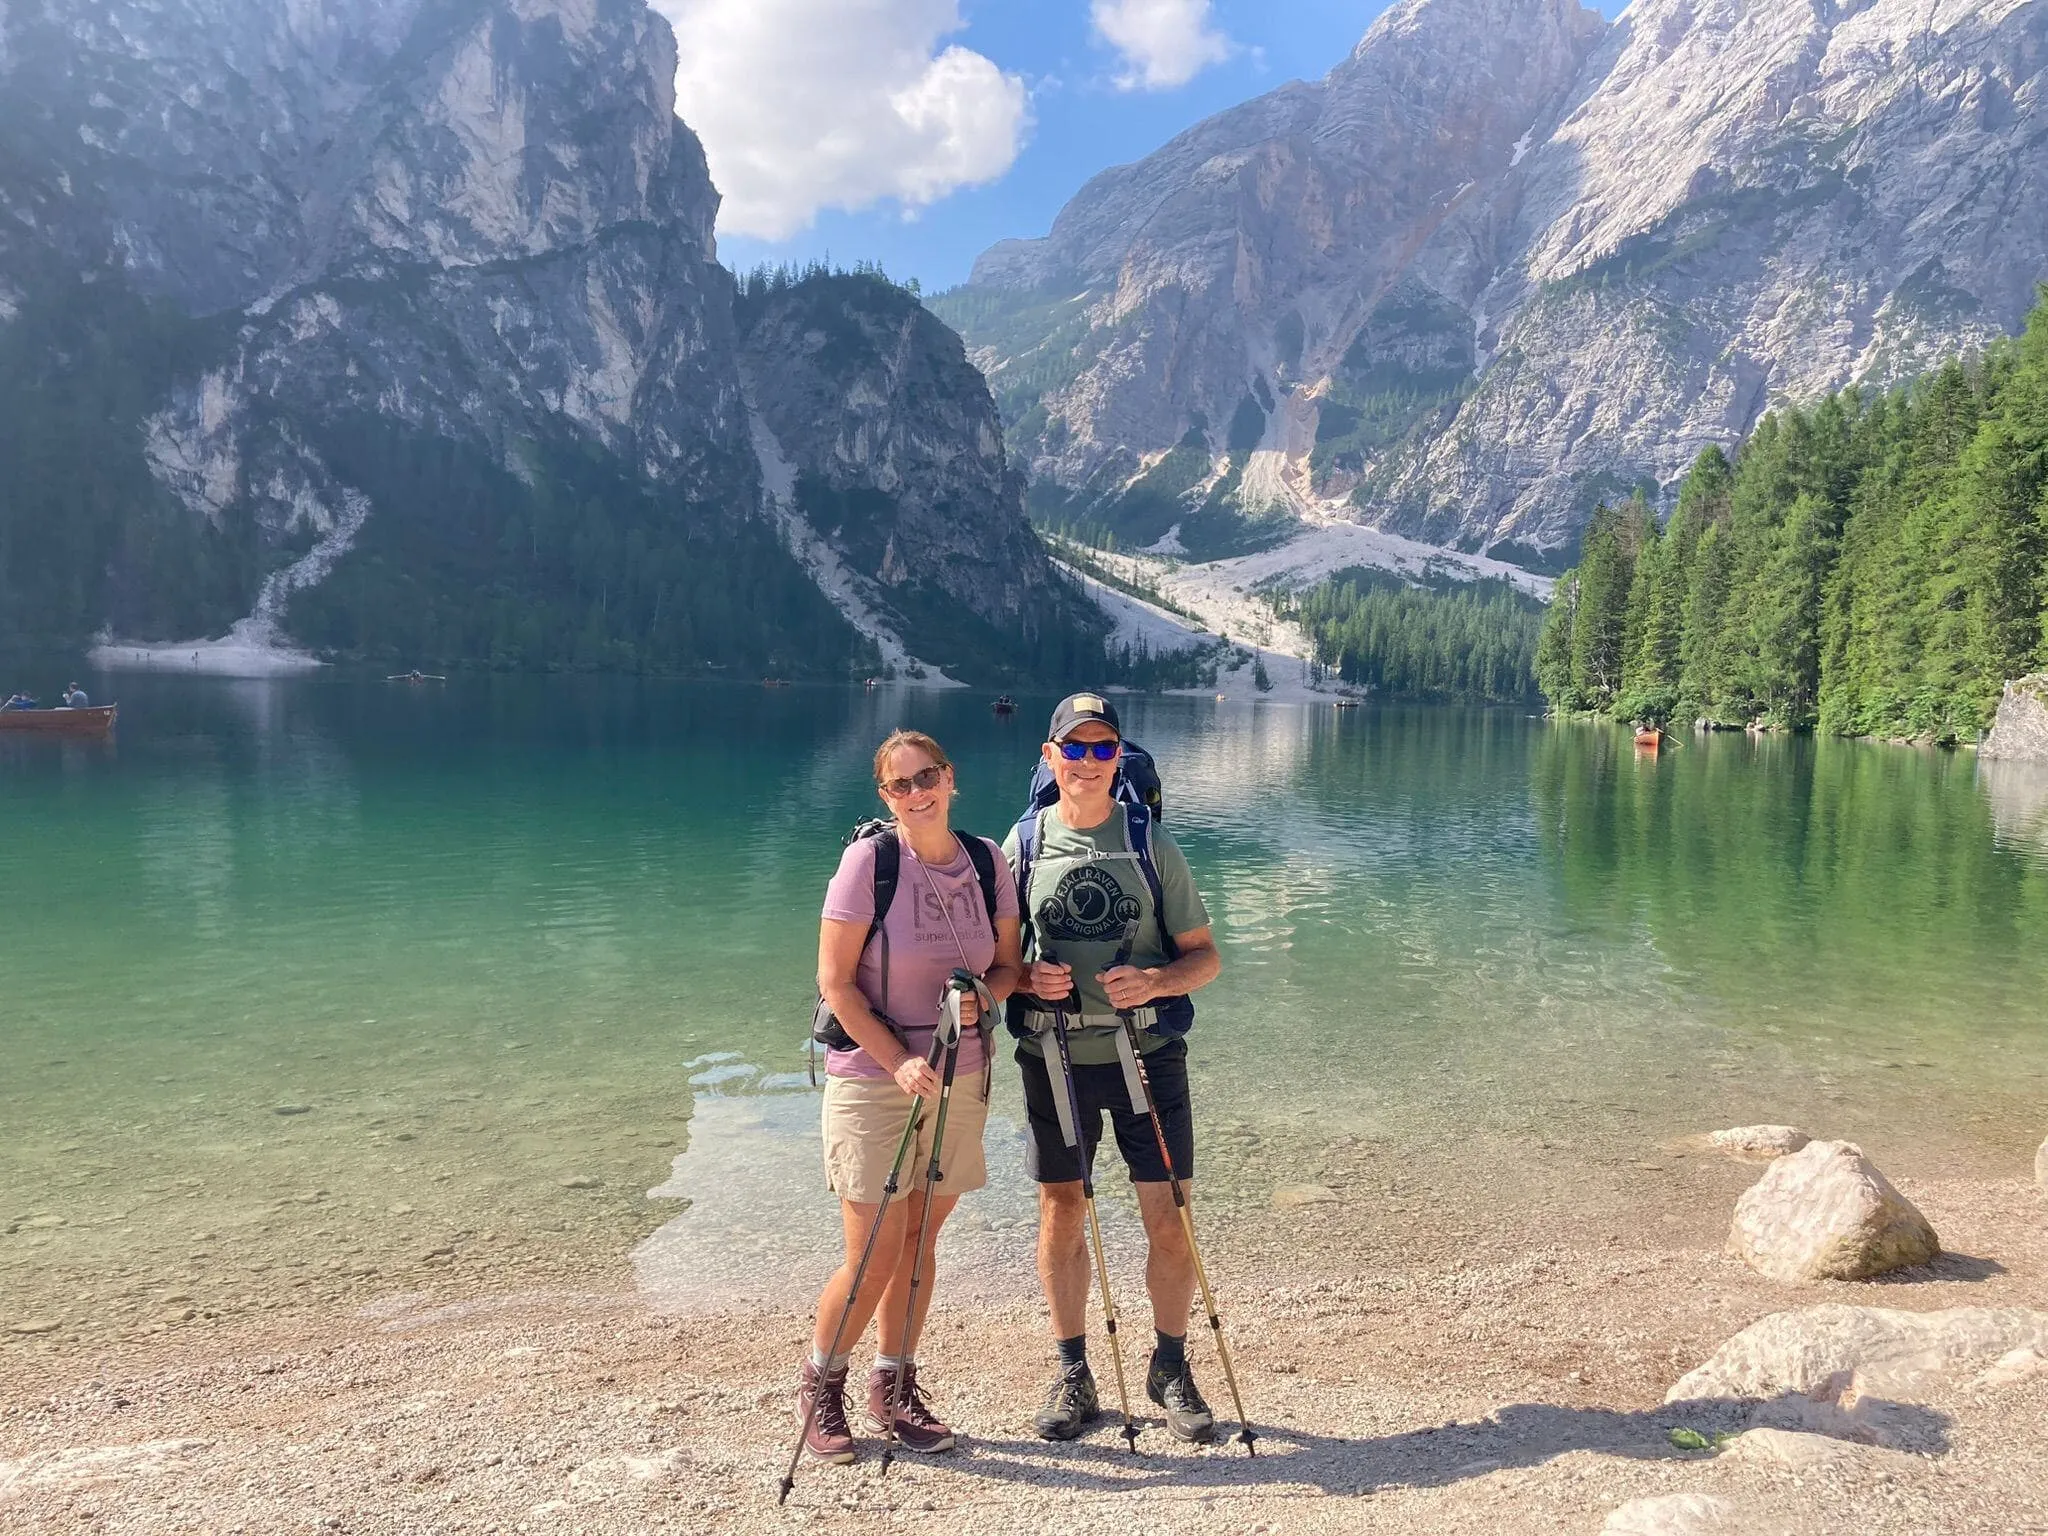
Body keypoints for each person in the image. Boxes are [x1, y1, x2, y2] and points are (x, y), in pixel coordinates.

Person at [798, 729, 1024, 1464]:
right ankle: (820, 1384)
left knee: (922, 1239)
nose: (917, 792)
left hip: (961, 1076)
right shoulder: (869, 864)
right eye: (899, 785)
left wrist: (982, 1002)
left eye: (927, 777)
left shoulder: (988, 862)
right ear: (884, 796)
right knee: (874, 1253)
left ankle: (893, 1388)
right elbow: (836, 983)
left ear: (950, 778)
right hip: (873, 1079)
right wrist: (896, 1061)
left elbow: (1011, 967)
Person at [1005, 692, 1223, 1443]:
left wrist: (1159, 982)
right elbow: (1000, 964)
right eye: (1076, 748)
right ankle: (1073, 1371)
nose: (1090, 763)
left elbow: (1206, 957)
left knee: (1169, 1220)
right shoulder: (1024, 843)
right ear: (1050, 756)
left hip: (1150, 1056)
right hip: (1055, 1058)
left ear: (1118, 759)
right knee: (1062, 1211)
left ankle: (1170, 1366)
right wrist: (1027, 980)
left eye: (1104, 750)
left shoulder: (1150, 842)